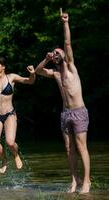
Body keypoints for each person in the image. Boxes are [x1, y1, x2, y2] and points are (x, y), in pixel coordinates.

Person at [35, 9, 90, 194]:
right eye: (54, 54)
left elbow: (67, 43)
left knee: (81, 146)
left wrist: (65, 23)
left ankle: (87, 181)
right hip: (65, 113)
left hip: (79, 111)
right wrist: (46, 58)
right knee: (68, 148)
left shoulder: (71, 67)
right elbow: (38, 71)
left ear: (64, 55)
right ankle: (75, 180)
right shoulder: (56, 74)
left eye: (58, 53)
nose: (56, 55)